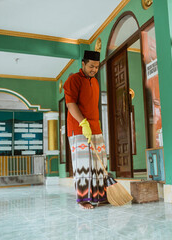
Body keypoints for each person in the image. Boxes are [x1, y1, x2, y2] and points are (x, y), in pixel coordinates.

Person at [63, 50, 107, 209]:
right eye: (91, 66)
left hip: (95, 127)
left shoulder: (94, 82)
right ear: (83, 64)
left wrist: (96, 124)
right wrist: (83, 123)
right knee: (84, 164)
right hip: (78, 128)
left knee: (99, 162)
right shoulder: (73, 80)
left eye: (96, 67)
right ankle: (84, 199)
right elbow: (71, 104)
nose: (94, 69)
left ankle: (100, 195)